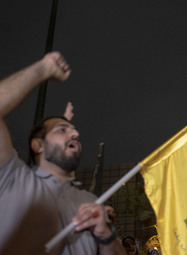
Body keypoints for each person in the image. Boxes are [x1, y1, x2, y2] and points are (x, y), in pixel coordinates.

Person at [0, 52, 127, 255]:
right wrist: (43, 69)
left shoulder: (90, 201)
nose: (76, 133)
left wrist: (105, 236)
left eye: (74, 130)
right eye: (62, 129)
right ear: (38, 145)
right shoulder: (12, 178)